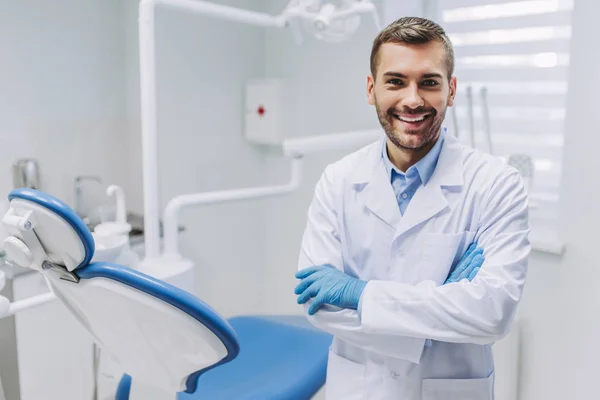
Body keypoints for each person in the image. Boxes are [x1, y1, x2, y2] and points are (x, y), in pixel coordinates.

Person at [294, 16, 530, 400]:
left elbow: (492, 313)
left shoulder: (496, 184)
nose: (412, 99)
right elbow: (319, 307)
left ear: (451, 90)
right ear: (371, 89)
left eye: (429, 82)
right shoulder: (337, 180)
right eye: (395, 81)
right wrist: (444, 303)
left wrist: (361, 294)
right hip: (358, 388)